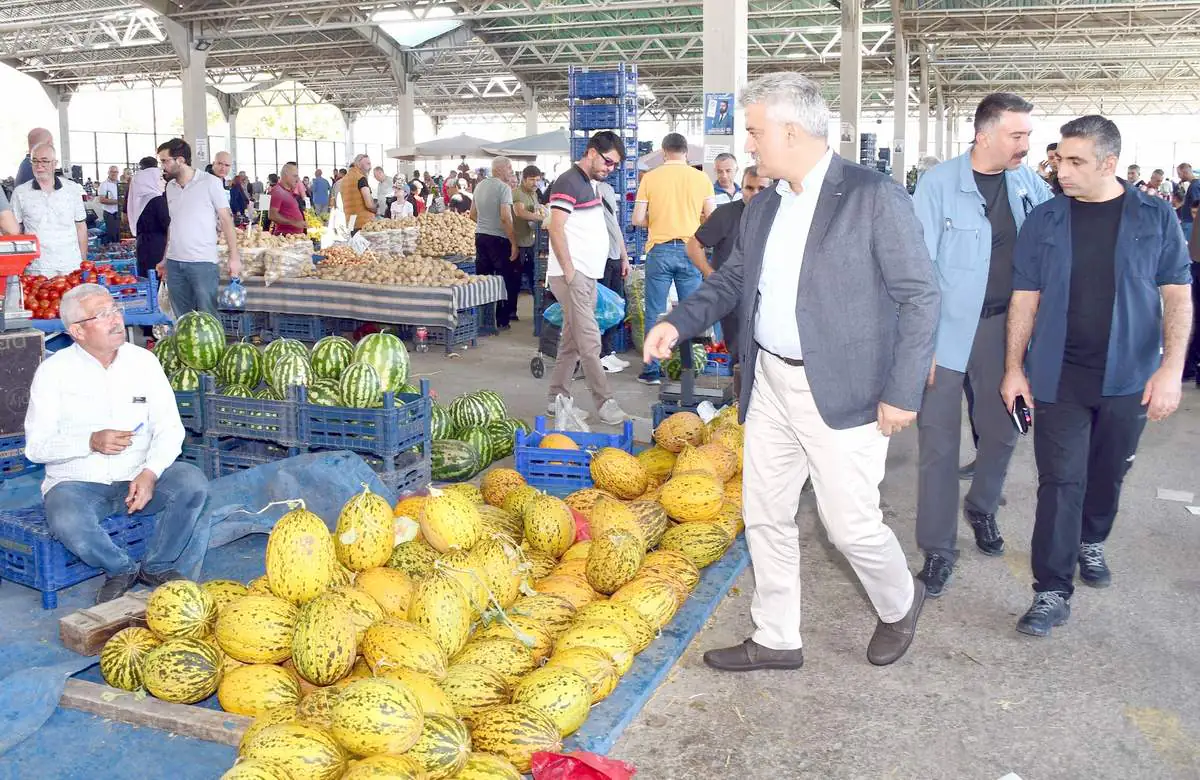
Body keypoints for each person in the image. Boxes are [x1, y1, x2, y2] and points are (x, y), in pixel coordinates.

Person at [643, 72, 940, 671]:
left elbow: (921, 296)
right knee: (766, 513)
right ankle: (776, 636)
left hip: (844, 390)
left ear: (790, 130)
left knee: (850, 527)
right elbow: (731, 280)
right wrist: (679, 321)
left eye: (755, 133)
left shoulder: (872, 196)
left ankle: (901, 602)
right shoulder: (765, 204)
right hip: (770, 383)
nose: (749, 146)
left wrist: (902, 390)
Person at [1001, 115, 1193, 637]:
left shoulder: (1155, 216)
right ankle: (1050, 591)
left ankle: (1092, 538)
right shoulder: (1044, 220)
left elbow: (1177, 293)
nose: (1061, 169)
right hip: (1058, 375)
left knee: (1106, 475)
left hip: (1128, 375)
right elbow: (1025, 296)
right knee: (1061, 482)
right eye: (1060, 159)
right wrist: (1014, 369)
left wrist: (1171, 368)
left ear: (1109, 164)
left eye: (1075, 161)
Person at [909, 93, 1054, 597]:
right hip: (945, 330)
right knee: (938, 441)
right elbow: (918, 270)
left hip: (1004, 330)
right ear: (985, 134)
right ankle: (938, 548)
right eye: (1018, 135)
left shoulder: (1029, 183)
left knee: (1004, 428)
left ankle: (983, 506)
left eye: (1028, 136)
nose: (1026, 145)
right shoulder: (938, 185)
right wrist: (919, 345)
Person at [24, 284, 210, 604]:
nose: (116, 320)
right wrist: (90, 441)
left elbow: (170, 428)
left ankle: (157, 564)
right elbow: (36, 447)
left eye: (116, 310)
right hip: (79, 482)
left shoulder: (144, 362)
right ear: (77, 331)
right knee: (65, 514)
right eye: (103, 315)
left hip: (137, 477)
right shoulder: (53, 372)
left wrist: (150, 473)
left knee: (192, 483)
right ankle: (120, 568)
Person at [546, 131, 631, 426]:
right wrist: (570, 271)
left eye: (614, 165)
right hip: (574, 276)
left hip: (586, 275)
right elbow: (556, 228)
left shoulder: (589, 184)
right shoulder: (568, 181)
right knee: (590, 341)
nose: (610, 168)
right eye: (608, 161)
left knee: (571, 341)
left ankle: (558, 399)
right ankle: (605, 402)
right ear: (592, 152)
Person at [632, 132, 717, 384]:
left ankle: (651, 371)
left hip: (659, 250)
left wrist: (655, 220)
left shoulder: (650, 177)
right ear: (686, 152)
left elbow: (637, 219)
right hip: (691, 250)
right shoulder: (701, 178)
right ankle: (688, 368)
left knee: (655, 311)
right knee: (689, 311)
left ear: (664, 151)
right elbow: (711, 217)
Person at [685, 165, 772, 362]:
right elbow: (693, 246)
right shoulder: (725, 214)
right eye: (749, 188)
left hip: (768, 297)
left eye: (762, 189)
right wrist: (711, 275)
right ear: (740, 188)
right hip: (734, 300)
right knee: (740, 356)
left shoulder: (779, 215)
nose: (755, 194)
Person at [157, 138, 241, 315]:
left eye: (165, 161)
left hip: (202, 262)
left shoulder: (210, 183)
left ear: (180, 160)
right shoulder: (170, 187)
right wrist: (165, 258)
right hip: (174, 263)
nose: (162, 166)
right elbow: (174, 224)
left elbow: (226, 220)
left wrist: (234, 257)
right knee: (181, 319)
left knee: (207, 316)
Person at [10, 142, 87, 277]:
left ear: (54, 163)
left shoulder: (72, 189)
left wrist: (83, 261)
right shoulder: (20, 193)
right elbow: (15, 231)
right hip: (37, 269)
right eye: (35, 161)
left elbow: (80, 226)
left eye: (44, 161)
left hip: (70, 266)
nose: (39, 166)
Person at [471, 157, 520, 328]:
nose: (511, 171)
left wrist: (485, 224)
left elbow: (472, 214)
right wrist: (513, 242)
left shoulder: (479, 186)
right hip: (499, 239)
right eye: (509, 167)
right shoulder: (503, 188)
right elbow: (506, 217)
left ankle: (482, 320)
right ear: (499, 169)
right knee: (504, 280)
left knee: (483, 279)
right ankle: (501, 320)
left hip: (480, 236)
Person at [595, 177, 632, 371]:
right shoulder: (581, 190)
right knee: (600, 309)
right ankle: (599, 355)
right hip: (597, 258)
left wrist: (624, 257)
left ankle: (607, 351)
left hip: (613, 257)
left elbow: (614, 225)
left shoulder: (606, 189)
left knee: (614, 308)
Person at [512, 165, 546, 301]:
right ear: (524, 179)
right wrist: (543, 218)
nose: (535, 183)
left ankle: (537, 307)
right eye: (532, 180)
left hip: (531, 241)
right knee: (515, 278)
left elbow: (535, 212)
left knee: (534, 276)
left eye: (537, 180)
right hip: (518, 242)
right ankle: (511, 313)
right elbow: (519, 212)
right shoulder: (517, 193)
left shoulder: (534, 194)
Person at [127, 157, 162, 240]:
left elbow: (130, 198)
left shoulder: (137, 177)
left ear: (141, 166)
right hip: (160, 213)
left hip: (141, 214)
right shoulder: (161, 174)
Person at [340, 154, 375, 232]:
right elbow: (369, 204)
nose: (370, 167)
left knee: (354, 242)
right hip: (363, 223)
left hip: (351, 221)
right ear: (359, 164)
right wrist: (375, 209)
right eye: (368, 164)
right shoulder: (360, 178)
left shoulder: (344, 179)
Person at [269, 163, 306, 236]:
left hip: (293, 238)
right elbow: (272, 215)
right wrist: (294, 222)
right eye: (295, 176)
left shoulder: (288, 191)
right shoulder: (277, 191)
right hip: (285, 238)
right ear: (286, 175)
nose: (297, 179)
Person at [97, 165, 121, 244]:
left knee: (120, 236)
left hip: (120, 214)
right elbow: (102, 200)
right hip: (110, 214)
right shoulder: (104, 184)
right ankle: (113, 253)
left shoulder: (120, 184)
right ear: (108, 173)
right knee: (112, 237)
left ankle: (121, 253)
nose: (114, 174)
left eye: (116, 172)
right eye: (112, 172)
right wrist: (119, 201)